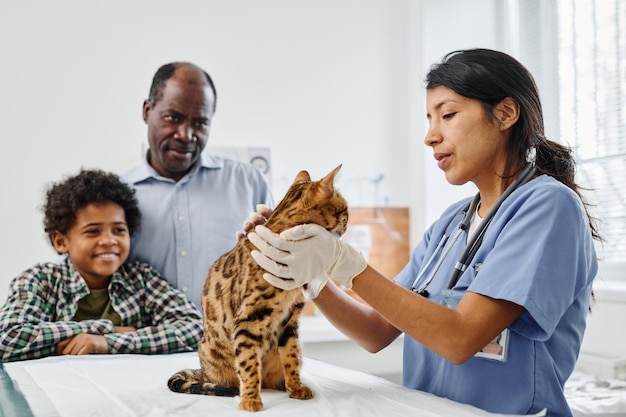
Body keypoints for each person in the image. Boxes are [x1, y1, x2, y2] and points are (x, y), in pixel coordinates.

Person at [247, 49, 599, 417]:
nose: (430, 136)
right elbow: (375, 331)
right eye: (430, 119)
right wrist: (308, 273)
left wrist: (343, 262)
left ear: (506, 113)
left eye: (447, 115)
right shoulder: (450, 225)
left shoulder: (548, 206)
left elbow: (460, 337)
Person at [0, 169, 203, 362]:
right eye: (93, 231)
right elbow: (7, 338)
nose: (109, 240)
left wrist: (108, 342)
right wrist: (109, 328)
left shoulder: (142, 279)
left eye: (118, 230)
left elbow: (197, 329)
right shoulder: (40, 280)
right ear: (61, 241)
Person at [121, 62, 274, 310]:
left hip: (234, 345)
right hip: (147, 345)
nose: (186, 135)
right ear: (147, 111)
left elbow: (282, 268)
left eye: (200, 123)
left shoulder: (248, 183)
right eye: (173, 118)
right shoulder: (115, 197)